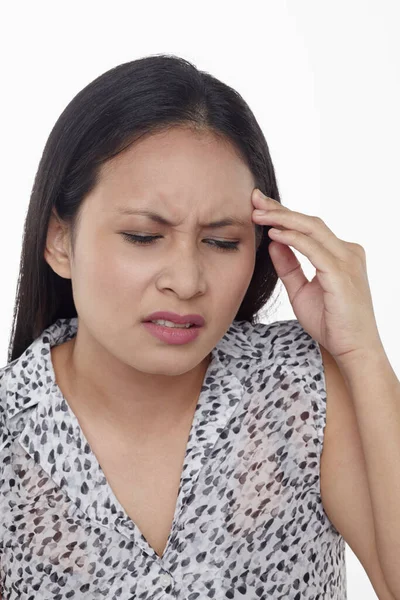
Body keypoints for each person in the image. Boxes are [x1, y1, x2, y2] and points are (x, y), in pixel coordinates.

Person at [0, 54, 346, 598]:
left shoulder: (299, 385)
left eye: (222, 242)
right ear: (60, 240)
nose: (186, 281)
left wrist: (362, 351)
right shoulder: (10, 438)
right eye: (143, 236)